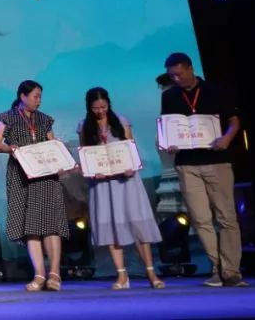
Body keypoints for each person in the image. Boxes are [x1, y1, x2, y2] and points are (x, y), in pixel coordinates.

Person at [161, 52, 245, 287]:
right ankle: (217, 269)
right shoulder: (169, 96)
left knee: (226, 217)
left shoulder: (215, 90)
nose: (176, 79)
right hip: (187, 164)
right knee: (200, 219)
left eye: (179, 74)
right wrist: (169, 143)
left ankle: (231, 270)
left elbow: (234, 120)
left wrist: (227, 138)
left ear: (190, 69)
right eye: (171, 76)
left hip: (217, 161)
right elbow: (168, 127)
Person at [77, 87, 164, 290]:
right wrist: (92, 171)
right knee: (111, 227)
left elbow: (130, 148)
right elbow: (85, 155)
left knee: (138, 224)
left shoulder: (121, 121)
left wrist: (131, 166)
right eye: (95, 108)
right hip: (102, 185)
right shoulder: (84, 126)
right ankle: (122, 275)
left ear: (109, 104)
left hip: (126, 182)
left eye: (103, 107)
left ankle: (151, 273)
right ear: (89, 107)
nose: (100, 111)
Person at [0, 80, 68, 292]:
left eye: (40, 96)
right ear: (22, 96)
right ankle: (39, 274)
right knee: (31, 226)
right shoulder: (7, 117)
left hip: (46, 175)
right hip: (21, 175)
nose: (38, 100)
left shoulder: (44, 119)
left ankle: (55, 273)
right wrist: (9, 148)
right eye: (35, 96)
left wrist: (58, 150)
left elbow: (52, 142)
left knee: (51, 224)